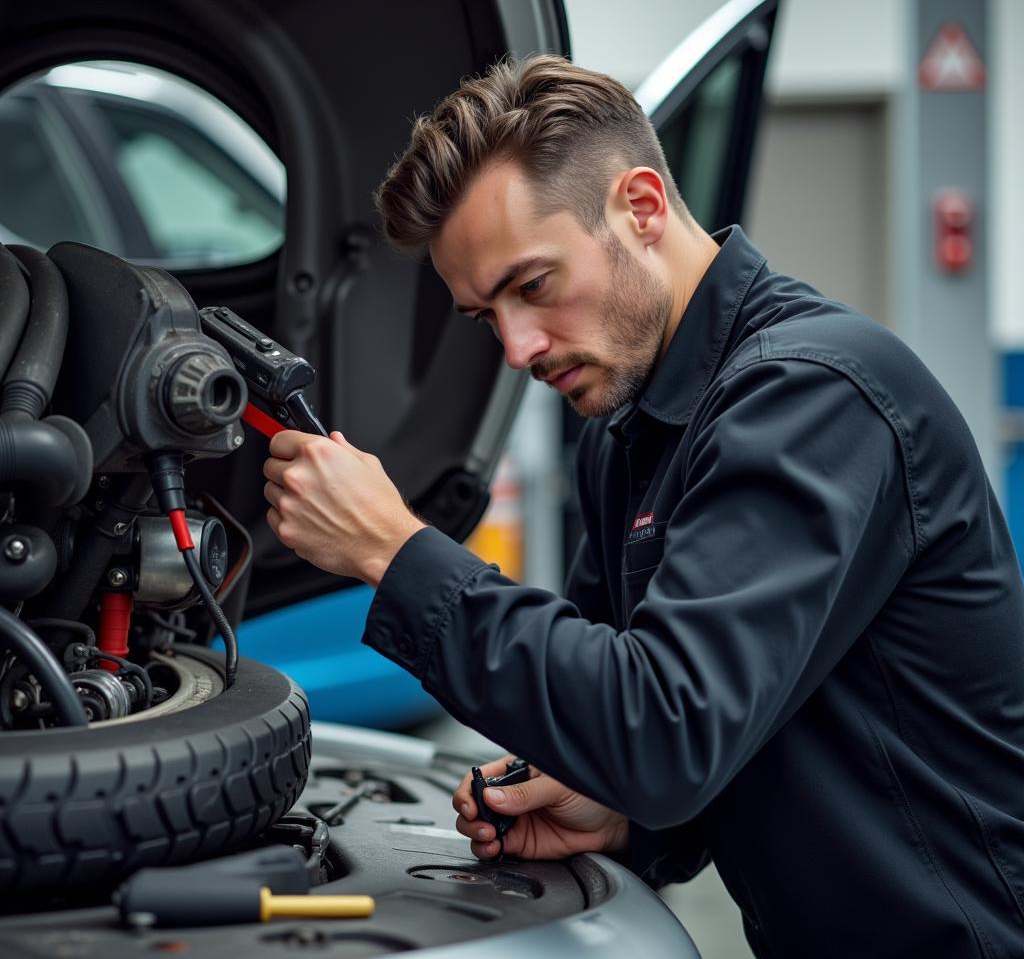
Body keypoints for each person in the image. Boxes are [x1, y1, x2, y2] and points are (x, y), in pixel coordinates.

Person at [261, 55, 1024, 958]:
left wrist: (397, 552)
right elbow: (655, 727)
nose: (517, 347)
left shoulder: (813, 397)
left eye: (532, 286)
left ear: (644, 207)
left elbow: (664, 729)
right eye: (484, 316)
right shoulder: (631, 437)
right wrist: (620, 818)